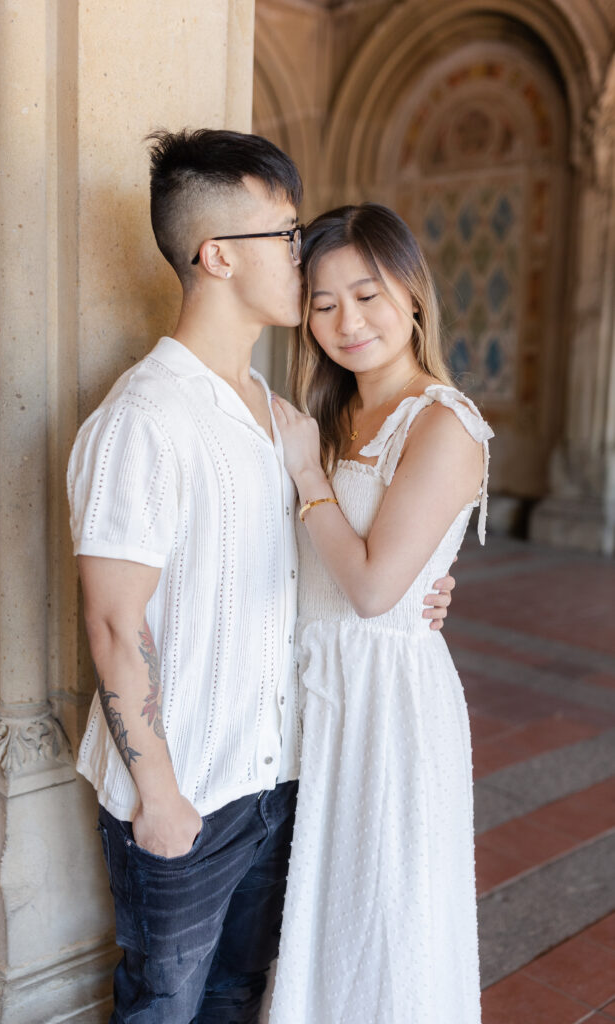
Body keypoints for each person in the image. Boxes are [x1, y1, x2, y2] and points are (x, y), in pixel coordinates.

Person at [67, 131, 453, 1024]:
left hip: (276, 783)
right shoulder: (143, 419)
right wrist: (157, 798)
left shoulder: (277, 414)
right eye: (284, 233)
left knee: (238, 1000)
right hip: (187, 793)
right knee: (162, 1006)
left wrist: (422, 586)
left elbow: (314, 564)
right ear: (214, 256)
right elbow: (113, 626)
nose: (301, 248)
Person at [268, 203, 493, 1024]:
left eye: (365, 295)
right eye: (322, 303)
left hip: (389, 708)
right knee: (318, 921)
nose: (346, 321)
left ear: (411, 294)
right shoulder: (326, 416)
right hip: (317, 690)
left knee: (383, 926)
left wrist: (306, 477)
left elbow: (370, 590)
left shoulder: (443, 422)